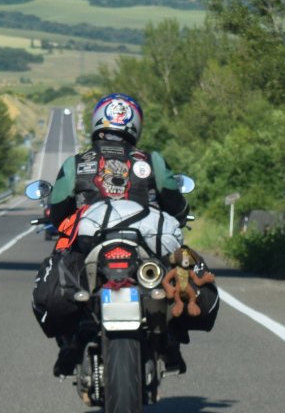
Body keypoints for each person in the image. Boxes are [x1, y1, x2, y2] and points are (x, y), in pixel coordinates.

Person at [42, 93, 190, 377]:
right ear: (135, 124)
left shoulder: (77, 163)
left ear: (98, 120)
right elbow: (174, 202)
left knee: (65, 272)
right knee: (174, 271)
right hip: (142, 239)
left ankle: (69, 342)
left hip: (90, 241)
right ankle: (170, 340)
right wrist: (181, 215)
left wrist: (58, 219)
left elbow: (58, 209)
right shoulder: (151, 161)